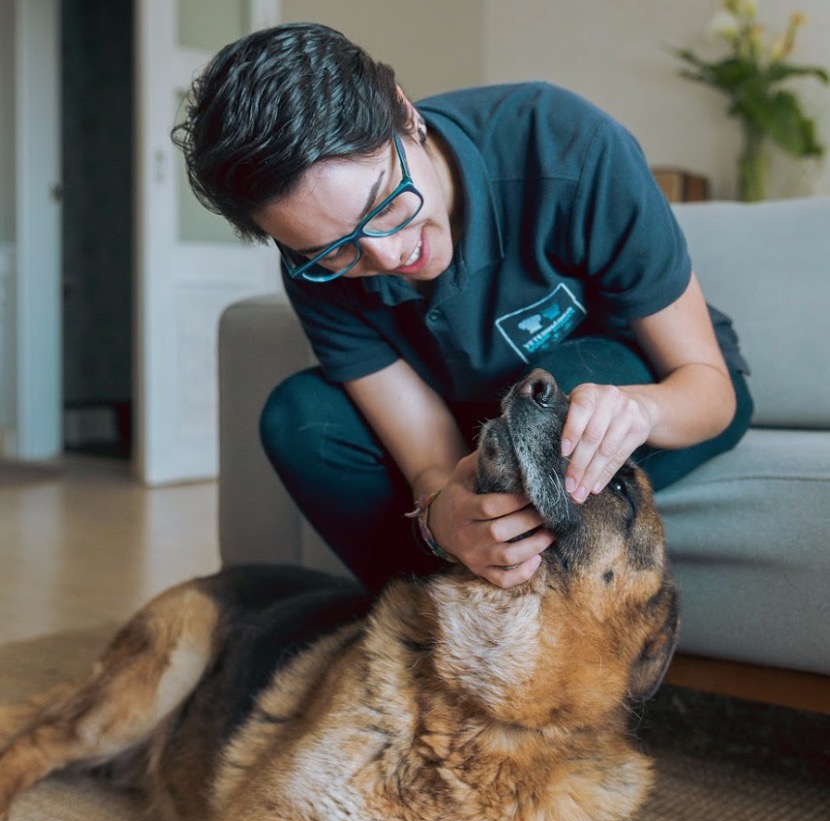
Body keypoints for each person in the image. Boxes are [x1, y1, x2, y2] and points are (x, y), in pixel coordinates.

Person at [173, 21, 753, 595]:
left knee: (552, 405)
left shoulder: (566, 143)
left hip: (643, 390)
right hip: (477, 422)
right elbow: (431, 458)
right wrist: (442, 518)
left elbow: (711, 391)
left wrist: (639, 412)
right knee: (299, 418)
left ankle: (511, 637)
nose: (387, 252)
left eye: (385, 203)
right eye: (335, 248)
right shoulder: (315, 266)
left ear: (405, 113)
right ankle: (437, 629)